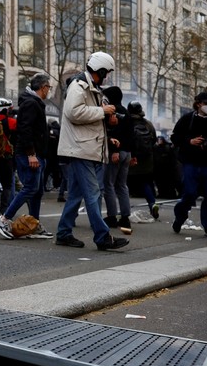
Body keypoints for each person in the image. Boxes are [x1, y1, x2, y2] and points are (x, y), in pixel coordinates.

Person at [54, 52, 129, 251]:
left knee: (76, 195)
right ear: (100, 70)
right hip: (81, 148)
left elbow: (89, 119)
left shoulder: (91, 87)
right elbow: (73, 112)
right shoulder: (79, 86)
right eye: (105, 73)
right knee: (94, 194)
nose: (106, 77)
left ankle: (63, 232)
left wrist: (108, 120)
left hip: (85, 147)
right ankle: (102, 237)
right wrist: (102, 112)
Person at [0, 73, 54, 239]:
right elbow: (24, 129)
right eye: (49, 87)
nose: (49, 90)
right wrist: (31, 154)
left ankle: (33, 224)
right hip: (29, 155)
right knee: (30, 188)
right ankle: (4, 218)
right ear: (43, 87)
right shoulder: (31, 103)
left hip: (36, 154)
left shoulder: (33, 103)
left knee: (37, 190)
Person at [170, 91, 207, 238]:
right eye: (206, 103)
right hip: (191, 162)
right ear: (198, 103)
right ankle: (180, 217)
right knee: (189, 193)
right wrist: (190, 142)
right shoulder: (187, 119)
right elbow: (175, 137)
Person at [101, 85, 134, 235]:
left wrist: (114, 151)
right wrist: (133, 155)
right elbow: (131, 135)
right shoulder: (126, 112)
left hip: (117, 152)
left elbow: (114, 133)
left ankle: (112, 216)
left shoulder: (113, 111)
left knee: (109, 184)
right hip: (127, 153)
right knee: (122, 185)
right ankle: (125, 217)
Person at [125, 101, 159, 220]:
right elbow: (154, 139)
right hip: (147, 160)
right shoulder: (148, 124)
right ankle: (152, 204)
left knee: (124, 185)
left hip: (132, 159)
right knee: (145, 183)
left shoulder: (127, 122)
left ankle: (124, 211)